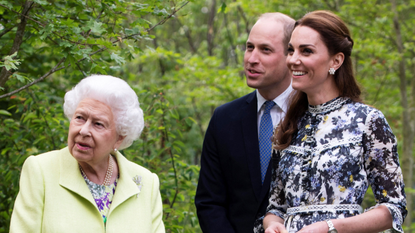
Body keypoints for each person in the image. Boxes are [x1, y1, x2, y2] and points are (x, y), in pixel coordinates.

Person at [259, 10, 407, 233]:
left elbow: (393, 209)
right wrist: (273, 225)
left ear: (336, 60)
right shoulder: (288, 125)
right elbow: (276, 207)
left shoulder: (368, 121)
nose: (293, 60)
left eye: (306, 51)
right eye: (291, 50)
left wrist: (330, 227)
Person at [10, 75, 165, 232]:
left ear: (119, 138)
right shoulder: (41, 171)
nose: (83, 131)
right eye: (79, 118)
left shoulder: (146, 183)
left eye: (98, 124)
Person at [195, 13, 295, 233]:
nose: (252, 58)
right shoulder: (224, 118)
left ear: (291, 55)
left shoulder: (312, 117)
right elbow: (209, 202)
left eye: (265, 50)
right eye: (250, 47)